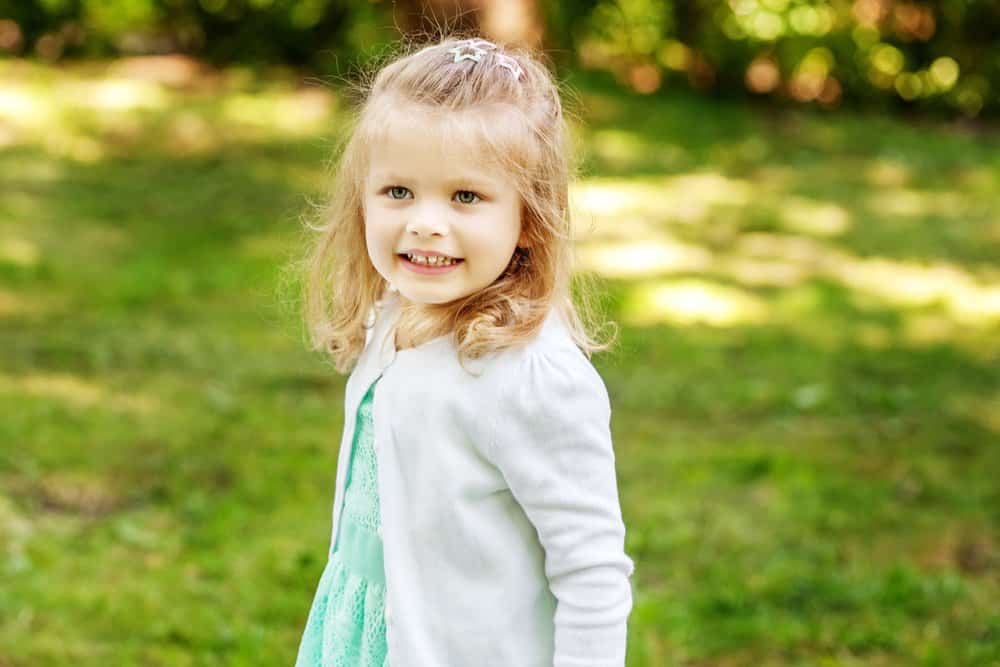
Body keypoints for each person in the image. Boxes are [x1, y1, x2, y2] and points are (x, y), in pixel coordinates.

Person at [293, 34, 635, 667]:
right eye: (398, 192)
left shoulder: (531, 376)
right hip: (372, 631)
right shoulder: (393, 314)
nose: (425, 221)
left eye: (466, 196)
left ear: (529, 219)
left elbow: (591, 573)